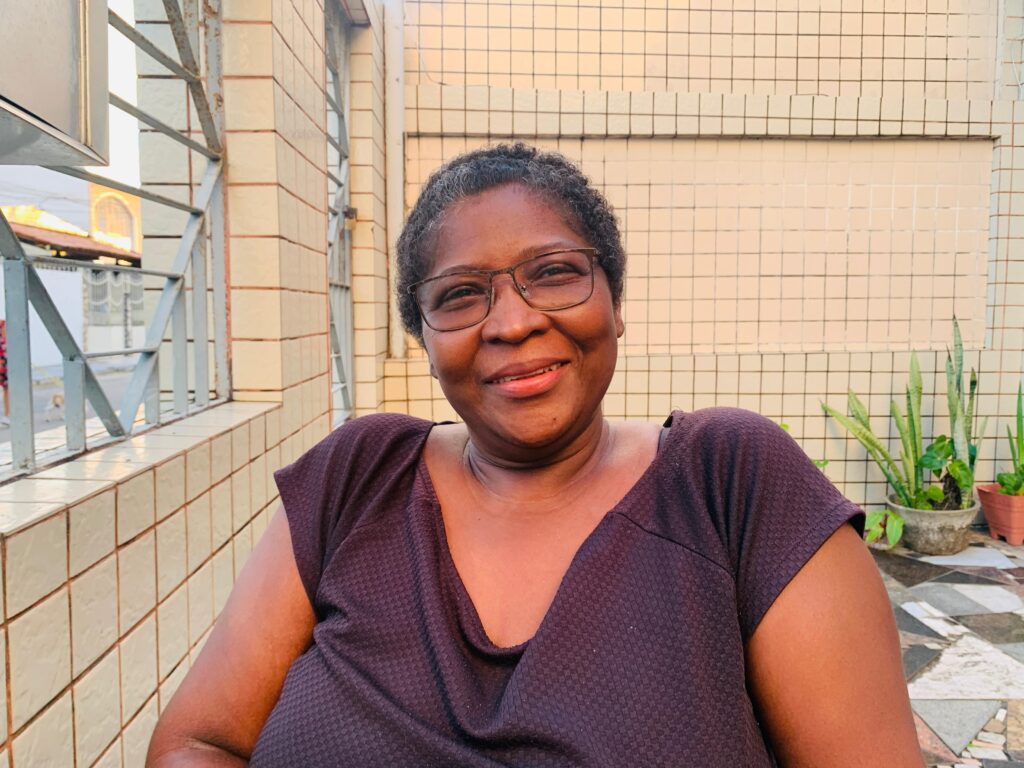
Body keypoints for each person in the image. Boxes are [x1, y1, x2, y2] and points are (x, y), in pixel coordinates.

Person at [148, 144, 923, 767]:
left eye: (553, 274)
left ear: (614, 302)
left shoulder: (730, 483)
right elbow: (197, 742)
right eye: (460, 294)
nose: (512, 323)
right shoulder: (357, 479)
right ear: (424, 341)